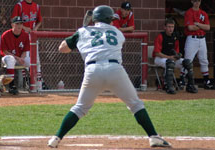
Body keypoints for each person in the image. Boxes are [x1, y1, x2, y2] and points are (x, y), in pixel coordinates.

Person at [47, 5, 171, 148]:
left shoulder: (83, 32)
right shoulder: (118, 33)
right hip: (115, 70)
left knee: (79, 108)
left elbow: (62, 49)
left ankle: (56, 138)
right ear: (107, 19)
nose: (113, 22)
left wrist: (80, 33)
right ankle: (154, 137)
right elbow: (103, 38)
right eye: (111, 19)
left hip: (92, 71)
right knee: (135, 104)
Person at [153, 19, 198, 94]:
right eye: (169, 27)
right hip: (159, 59)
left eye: (172, 27)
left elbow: (176, 52)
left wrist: (178, 56)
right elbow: (157, 53)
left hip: (171, 59)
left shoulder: (175, 37)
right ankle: (169, 86)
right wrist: (169, 57)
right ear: (165, 27)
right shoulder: (160, 36)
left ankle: (190, 85)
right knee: (170, 63)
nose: (171, 29)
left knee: (187, 62)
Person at [11, 0, 44, 90]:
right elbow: (13, 21)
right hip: (22, 37)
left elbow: (39, 21)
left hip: (32, 37)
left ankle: (38, 85)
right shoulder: (19, 5)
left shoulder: (36, 6)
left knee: (36, 61)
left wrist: (35, 29)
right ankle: (26, 84)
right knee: (24, 60)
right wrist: (25, 28)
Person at [184, 0, 215, 89]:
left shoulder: (203, 13)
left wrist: (197, 24)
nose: (197, 2)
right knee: (188, 60)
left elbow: (208, 27)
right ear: (192, 1)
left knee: (204, 60)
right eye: (195, 1)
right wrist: (202, 26)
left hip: (202, 39)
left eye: (198, 1)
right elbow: (190, 28)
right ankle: (183, 80)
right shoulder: (189, 12)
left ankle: (206, 81)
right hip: (192, 38)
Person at [0, 16, 30, 95]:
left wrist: (22, 58)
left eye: (21, 24)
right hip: (7, 58)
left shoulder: (25, 35)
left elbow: (25, 51)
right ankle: (11, 85)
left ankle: (31, 84)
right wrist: (18, 58)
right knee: (10, 59)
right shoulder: (5, 35)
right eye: (17, 24)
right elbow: (5, 51)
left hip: (19, 58)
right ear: (12, 25)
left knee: (30, 60)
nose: (19, 26)